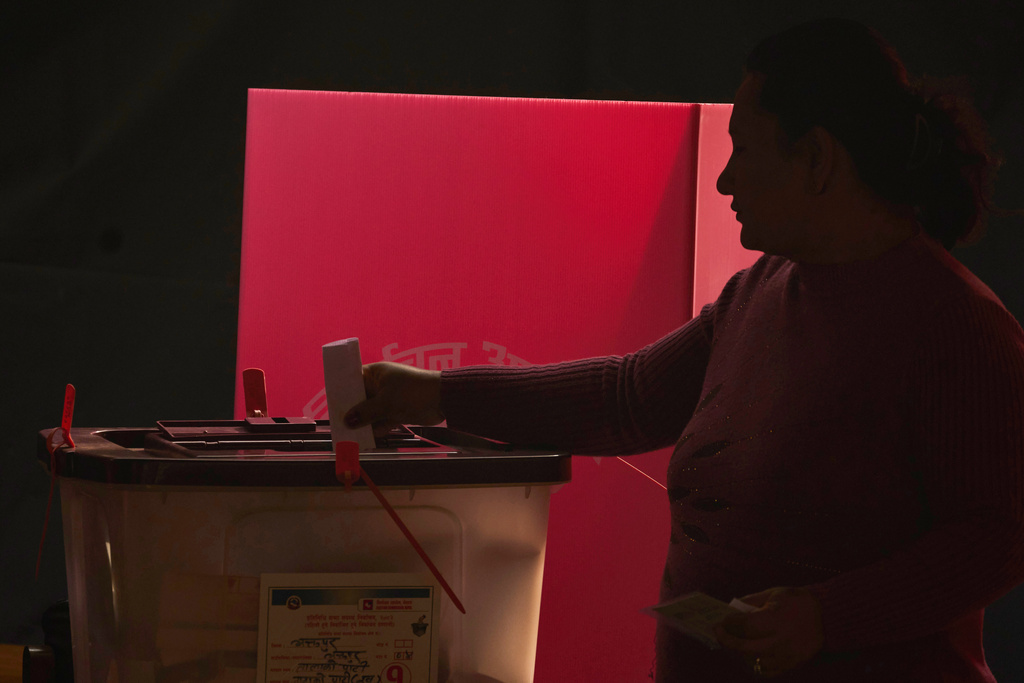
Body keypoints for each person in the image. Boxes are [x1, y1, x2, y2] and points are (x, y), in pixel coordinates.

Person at [345, 18, 1024, 682]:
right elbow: (629, 398)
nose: (726, 181)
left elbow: (1001, 535)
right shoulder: (762, 287)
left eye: (745, 150)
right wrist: (431, 395)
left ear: (817, 160)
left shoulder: (958, 327)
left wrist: (826, 615)